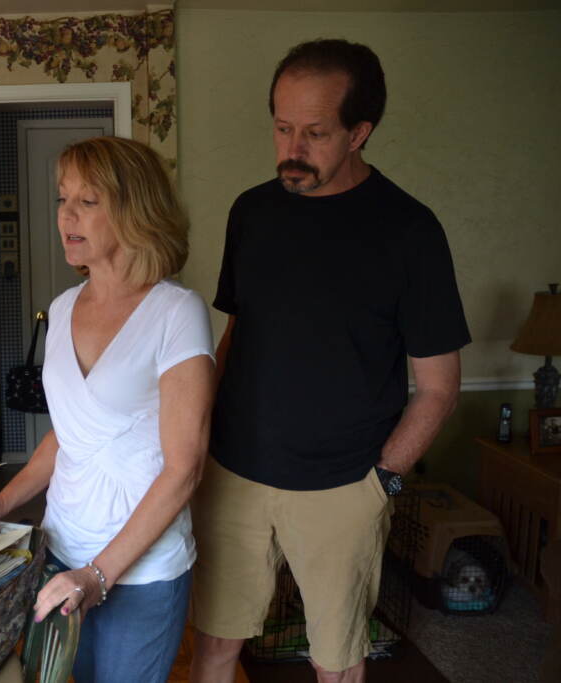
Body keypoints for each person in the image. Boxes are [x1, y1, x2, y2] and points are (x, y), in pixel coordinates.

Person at [190, 39, 470, 683]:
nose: (292, 149)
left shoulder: (410, 231)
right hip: (234, 473)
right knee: (213, 648)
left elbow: (439, 387)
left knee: (337, 663)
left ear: (359, 133)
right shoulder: (251, 212)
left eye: (315, 132)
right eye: (282, 128)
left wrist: (381, 483)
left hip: (345, 486)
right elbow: (238, 333)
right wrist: (201, 438)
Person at [0, 136, 214, 682]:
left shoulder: (176, 312)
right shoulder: (61, 307)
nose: (65, 216)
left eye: (88, 201)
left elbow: (184, 468)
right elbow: (69, 433)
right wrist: (2, 502)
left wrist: (99, 576)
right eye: (62, 198)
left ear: (134, 210)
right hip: (60, 549)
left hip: (140, 570)